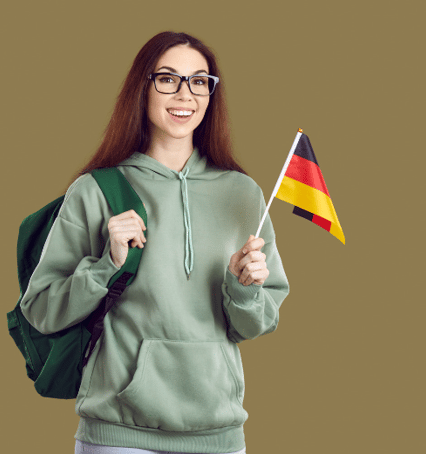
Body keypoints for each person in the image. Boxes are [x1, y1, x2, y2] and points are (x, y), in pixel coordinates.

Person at [20, 31, 289, 454]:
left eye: (199, 81)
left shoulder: (243, 194)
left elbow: (255, 324)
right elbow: (40, 311)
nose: (185, 94)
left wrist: (243, 291)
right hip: (117, 434)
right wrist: (105, 265)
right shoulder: (96, 190)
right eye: (168, 78)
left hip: (218, 434)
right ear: (141, 88)